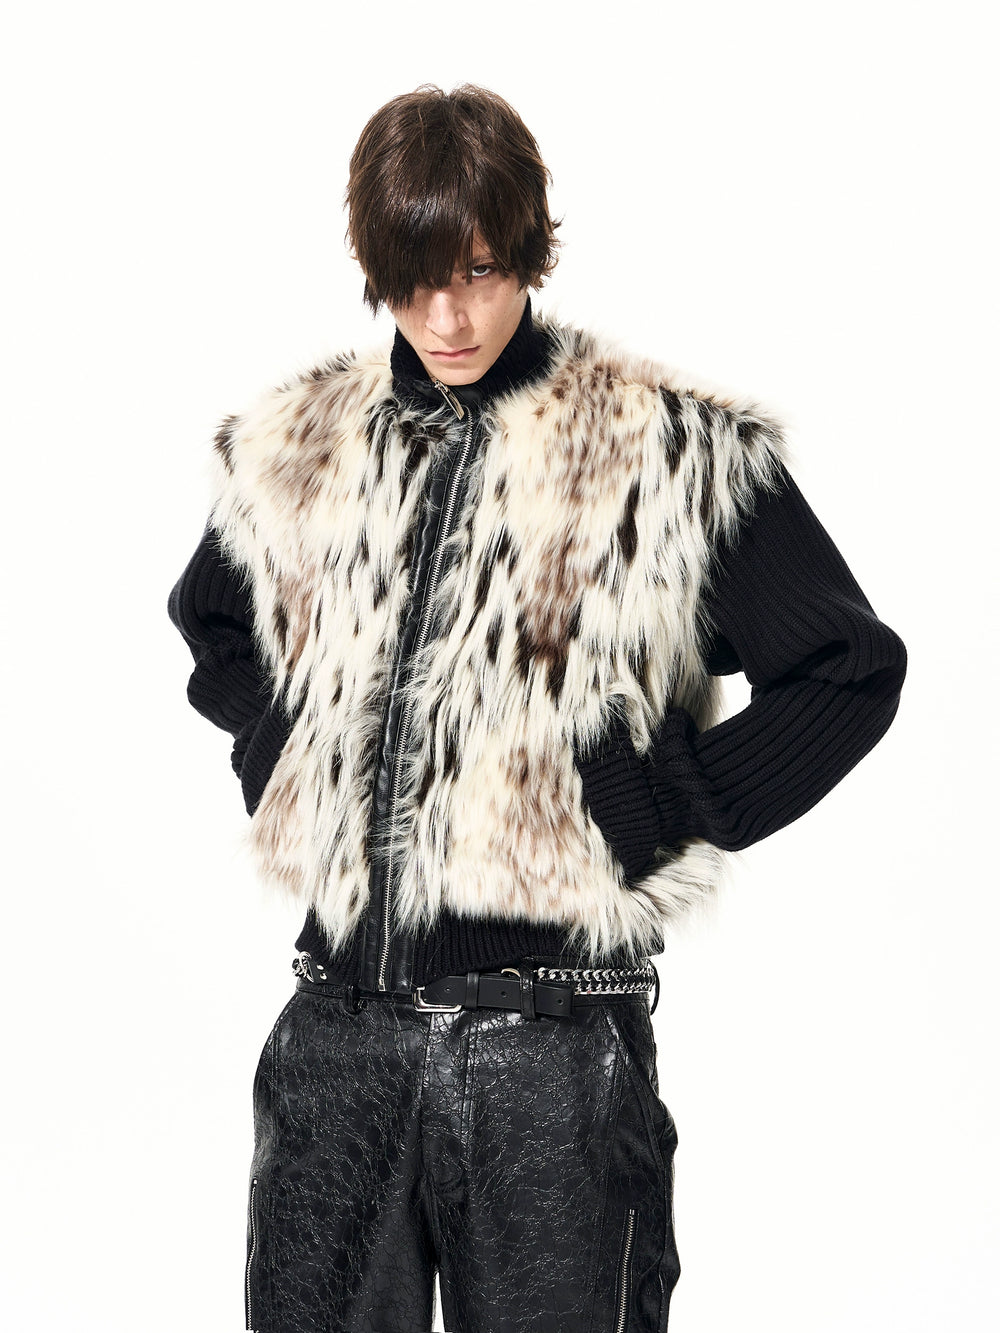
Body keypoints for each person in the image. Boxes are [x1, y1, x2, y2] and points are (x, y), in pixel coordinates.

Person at [167, 83, 907, 1333]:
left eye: (478, 271)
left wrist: (659, 805)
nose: (447, 317)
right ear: (371, 267)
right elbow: (213, 625)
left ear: (528, 249)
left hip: (550, 1054)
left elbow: (847, 669)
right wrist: (289, 754)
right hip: (337, 1040)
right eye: (413, 282)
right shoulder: (298, 446)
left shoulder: (665, 453)